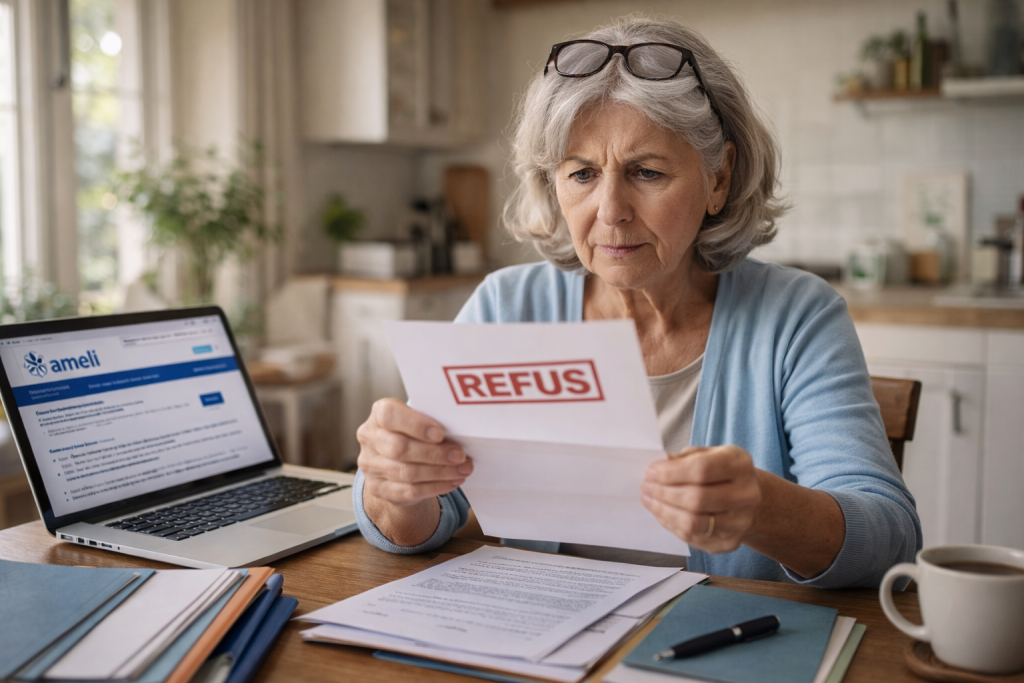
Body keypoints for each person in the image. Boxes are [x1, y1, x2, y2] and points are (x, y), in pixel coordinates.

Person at [352, 17, 921, 588]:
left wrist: (766, 511)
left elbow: (891, 536)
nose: (610, 210)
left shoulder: (797, 318)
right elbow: (418, 521)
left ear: (718, 179)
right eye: (581, 173)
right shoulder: (507, 305)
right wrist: (396, 484)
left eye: (646, 172)